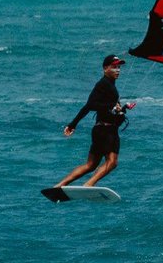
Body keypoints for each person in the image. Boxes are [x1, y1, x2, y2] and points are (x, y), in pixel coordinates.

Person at [54, 54, 134, 188]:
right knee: (112, 162)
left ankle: (59, 185)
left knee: (90, 165)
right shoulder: (103, 84)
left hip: (102, 130)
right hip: (106, 131)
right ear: (105, 68)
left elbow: (107, 111)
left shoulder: (110, 86)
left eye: (119, 67)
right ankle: (89, 184)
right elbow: (90, 105)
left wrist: (122, 110)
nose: (118, 70)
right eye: (114, 67)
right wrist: (73, 124)